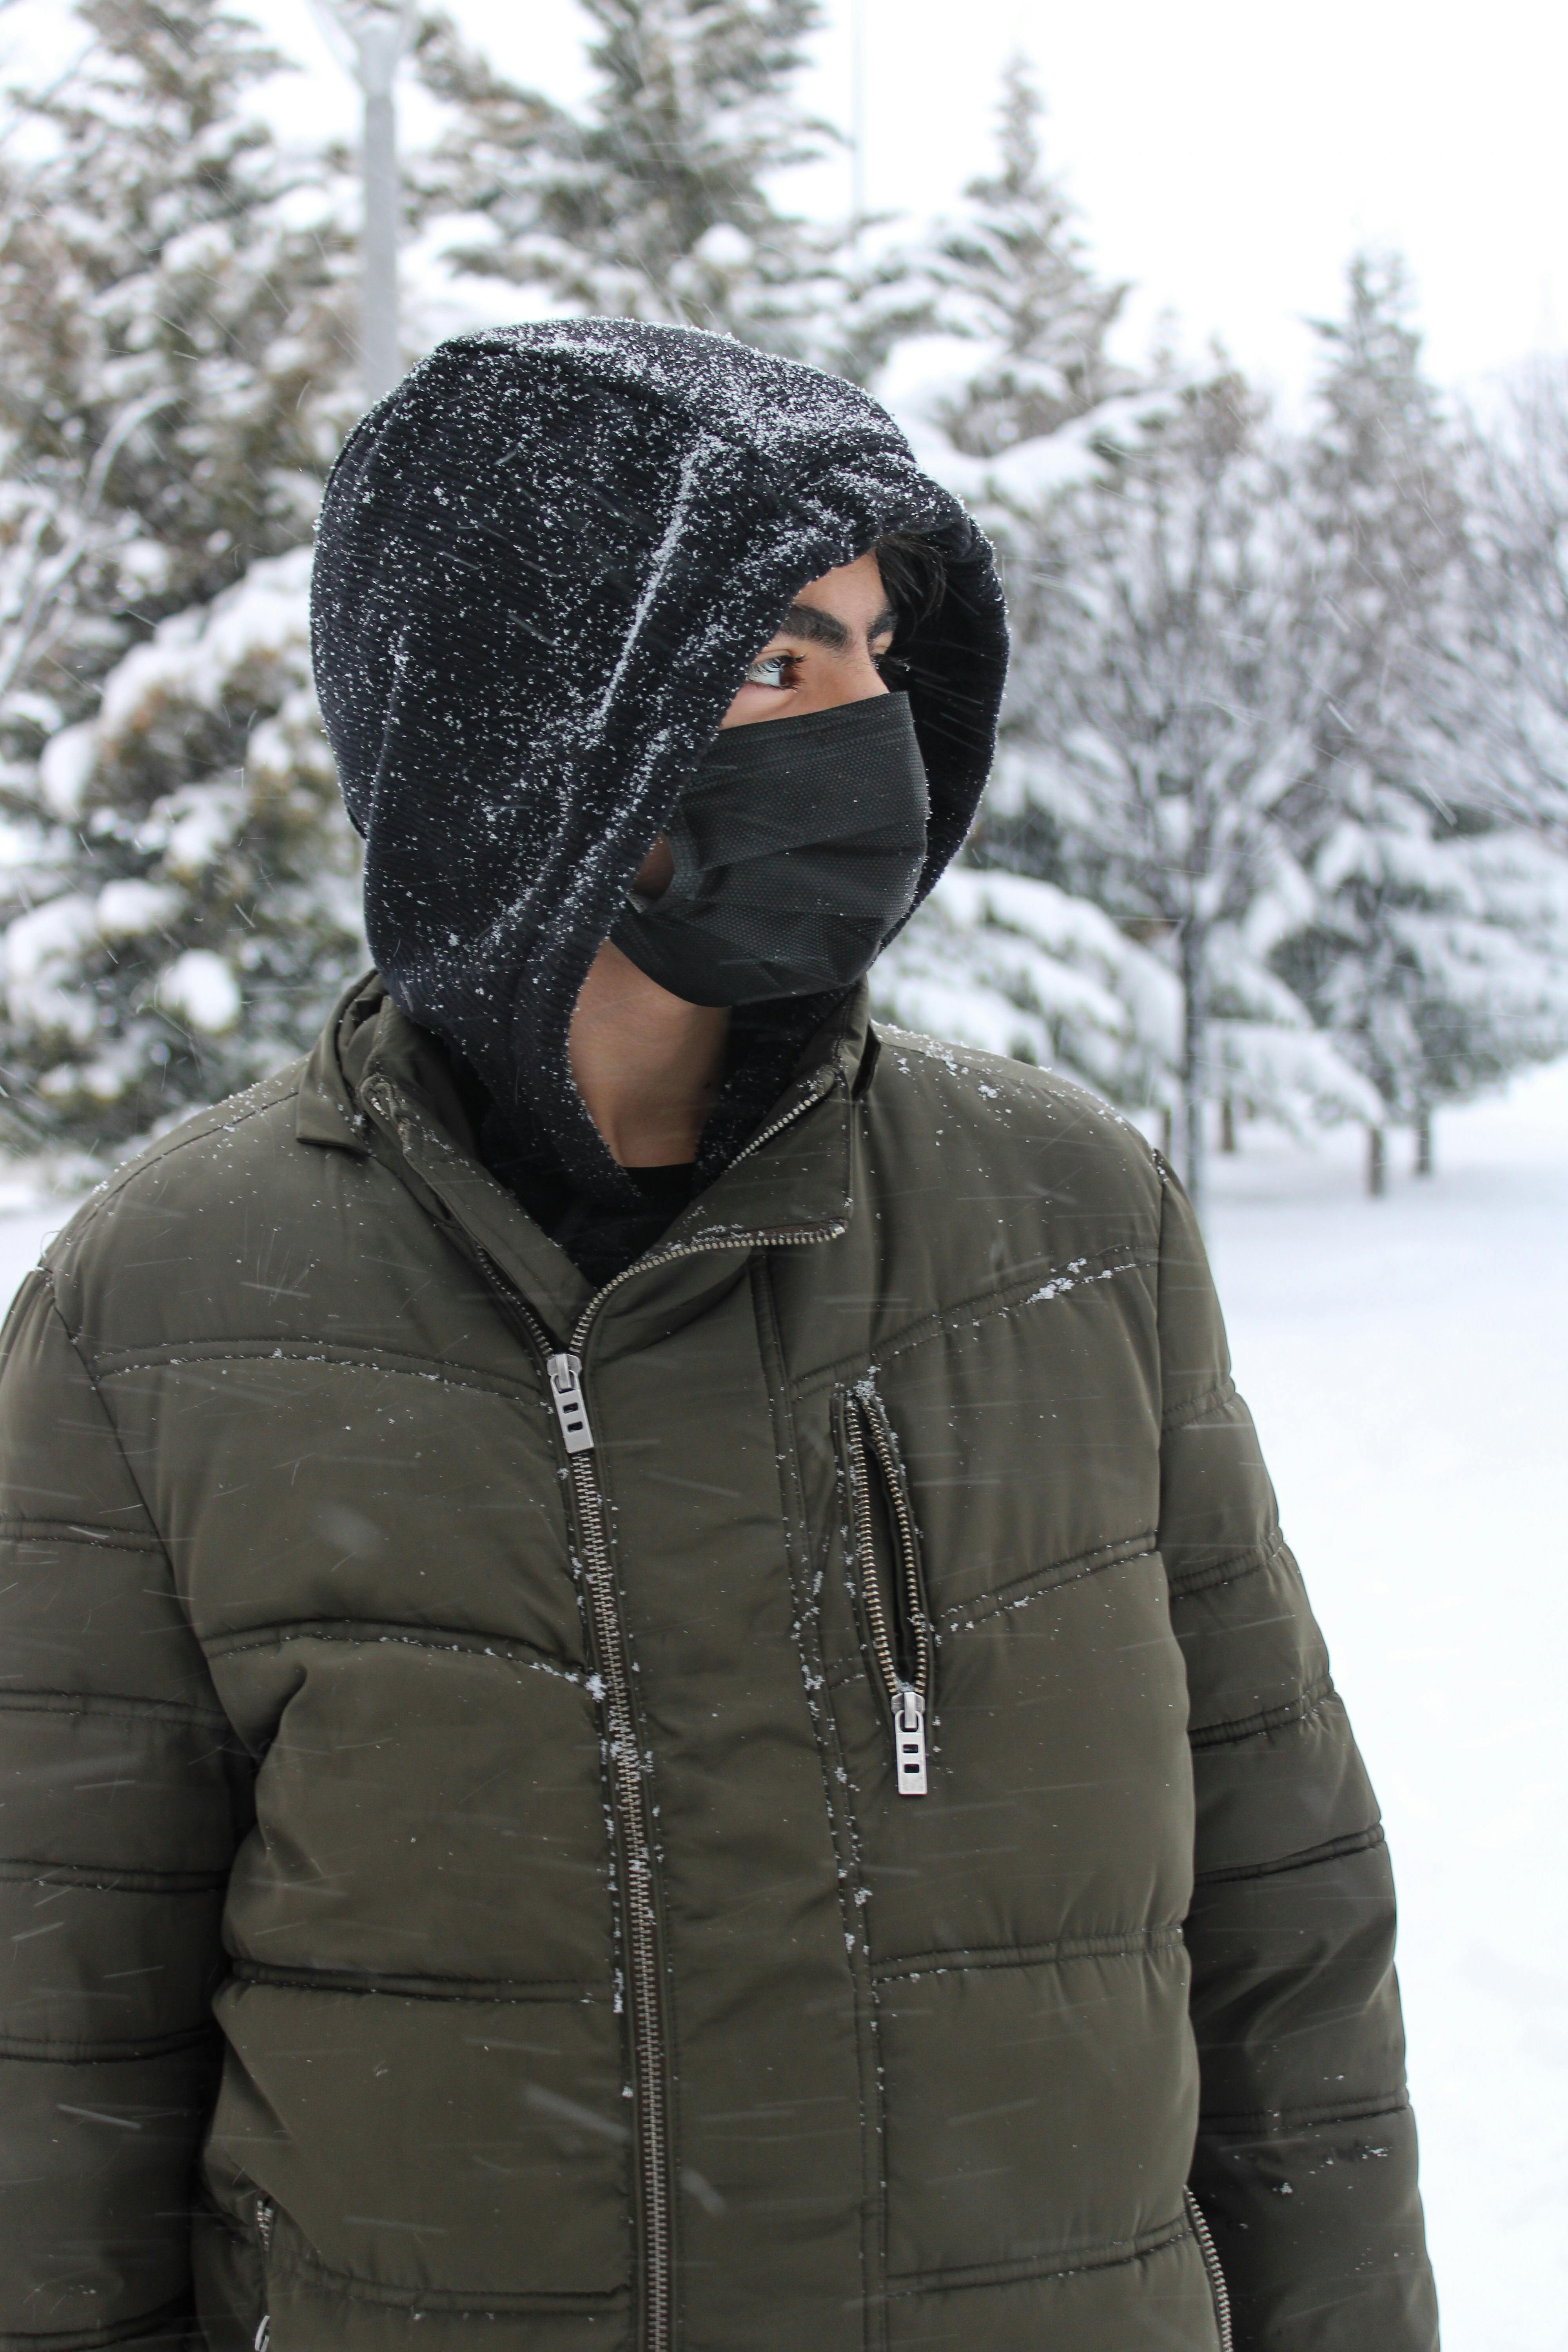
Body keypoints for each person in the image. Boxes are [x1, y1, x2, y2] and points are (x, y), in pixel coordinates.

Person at [0, 321, 1437, 2352]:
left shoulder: (1068, 1222)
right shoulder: (172, 1306)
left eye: (872, 652)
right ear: (533, 732)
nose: (868, 729)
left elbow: (1288, 1939)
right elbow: (51, 2068)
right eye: (773, 663)